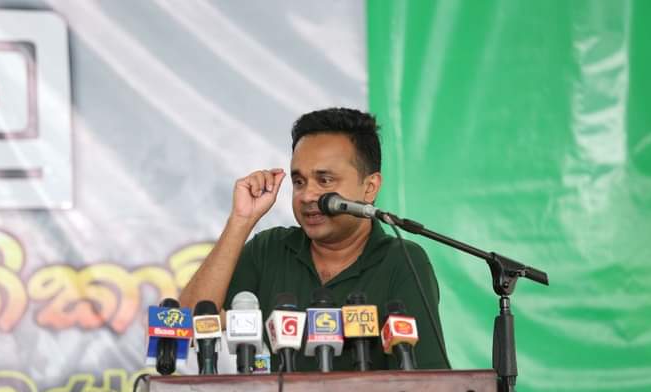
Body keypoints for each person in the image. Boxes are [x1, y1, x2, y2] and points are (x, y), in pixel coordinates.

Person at [179, 107, 449, 371]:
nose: (308, 196)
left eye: (325, 180)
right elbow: (186, 327)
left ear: (369, 188)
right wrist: (241, 220)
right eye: (299, 182)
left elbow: (426, 382)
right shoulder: (269, 249)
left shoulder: (402, 260)